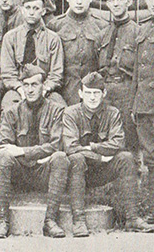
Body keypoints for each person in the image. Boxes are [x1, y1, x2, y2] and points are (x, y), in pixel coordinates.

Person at [63, 72, 154, 236]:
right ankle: (79, 221)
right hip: (78, 172)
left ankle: (132, 218)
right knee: (76, 158)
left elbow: (118, 143)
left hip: (102, 170)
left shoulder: (112, 113)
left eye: (96, 93)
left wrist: (92, 148)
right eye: (88, 93)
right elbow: (71, 147)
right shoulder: (71, 113)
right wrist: (100, 155)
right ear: (80, 93)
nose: (92, 98)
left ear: (104, 94)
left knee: (125, 158)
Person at [0, 64, 68, 238]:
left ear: (43, 86)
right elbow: (4, 145)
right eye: (26, 85)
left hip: (44, 172)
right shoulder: (11, 112)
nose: (30, 90)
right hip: (20, 173)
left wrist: (22, 152)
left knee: (60, 157)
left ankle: (50, 221)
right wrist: (38, 153)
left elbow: (56, 145)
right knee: (3, 157)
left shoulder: (56, 110)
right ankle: (2, 220)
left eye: (34, 84)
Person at [0, 0, 65, 110]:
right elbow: (8, 72)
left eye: (36, 8)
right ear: (22, 10)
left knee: (59, 108)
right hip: (18, 89)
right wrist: (21, 89)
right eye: (28, 8)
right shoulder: (11, 37)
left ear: (43, 11)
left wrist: (43, 90)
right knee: (8, 107)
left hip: (45, 89)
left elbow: (56, 73)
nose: (31, 12)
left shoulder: (52, 38)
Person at [48, 0, 107, 105]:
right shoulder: (55, 25)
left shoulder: (102, 26)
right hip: (65, 90)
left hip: (92, 91)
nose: (79, 2)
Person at [97, 0, 140, 156]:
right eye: (112, 0)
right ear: (107, 4)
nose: (116, 4)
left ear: (129, 2)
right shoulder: (102, 34)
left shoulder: (138, 32)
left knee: (129, 137)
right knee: (105, 135)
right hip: (106, 91)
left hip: (127, 90)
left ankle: (133, 176)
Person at [133, 0, 154, 223]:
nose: (153, 2)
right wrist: (133, 104)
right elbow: (137, 73)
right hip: (145, 105)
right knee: (150, 158)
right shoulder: (143, 28)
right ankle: (151, 210)